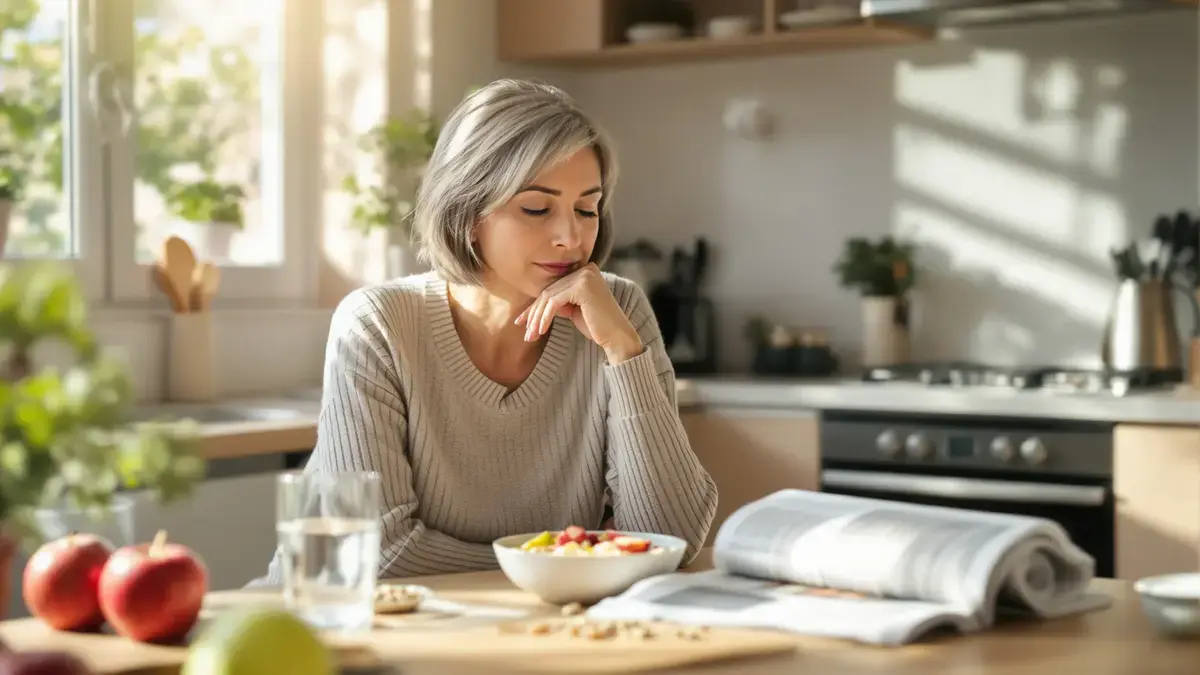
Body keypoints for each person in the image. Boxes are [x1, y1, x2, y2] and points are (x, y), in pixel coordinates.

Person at [255, 79, 717, 583]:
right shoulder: (377, 324)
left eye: (587, 209)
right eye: (537, 208)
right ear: (469, 212)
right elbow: (378, 554)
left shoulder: (617, 310)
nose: (572, 237)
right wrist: (573, 557)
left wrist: (625, 354)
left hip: (514, 628)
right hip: (329, 625)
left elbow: (671, 541)